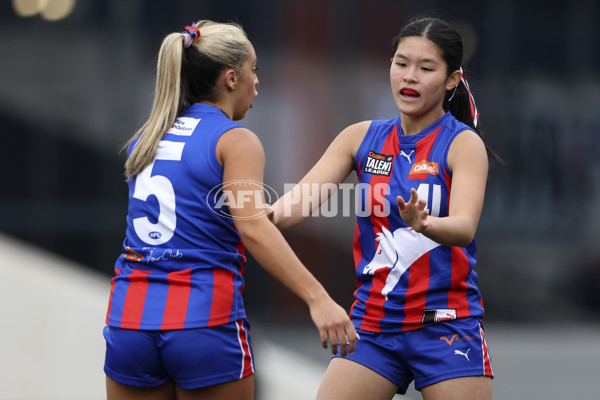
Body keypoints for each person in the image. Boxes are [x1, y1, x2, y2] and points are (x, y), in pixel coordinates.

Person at [103, 20, 358, 400]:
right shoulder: (235, 139)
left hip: (129, 320)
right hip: (201, 320)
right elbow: (253, 229)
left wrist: (253, 215)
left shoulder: (148, 135)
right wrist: (318, 299)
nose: (258, 81)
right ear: (231, 78)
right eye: (254, 70)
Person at [270, 17, 499, 400]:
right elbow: (292, 208)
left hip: (445, 325)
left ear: (452, 80)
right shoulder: (360, 137)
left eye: (426, 68)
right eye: (401, 63)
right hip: (374, 325)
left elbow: (463, 227)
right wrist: (249, 214)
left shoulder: (462, 144)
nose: (409, 76)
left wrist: (423, 223)